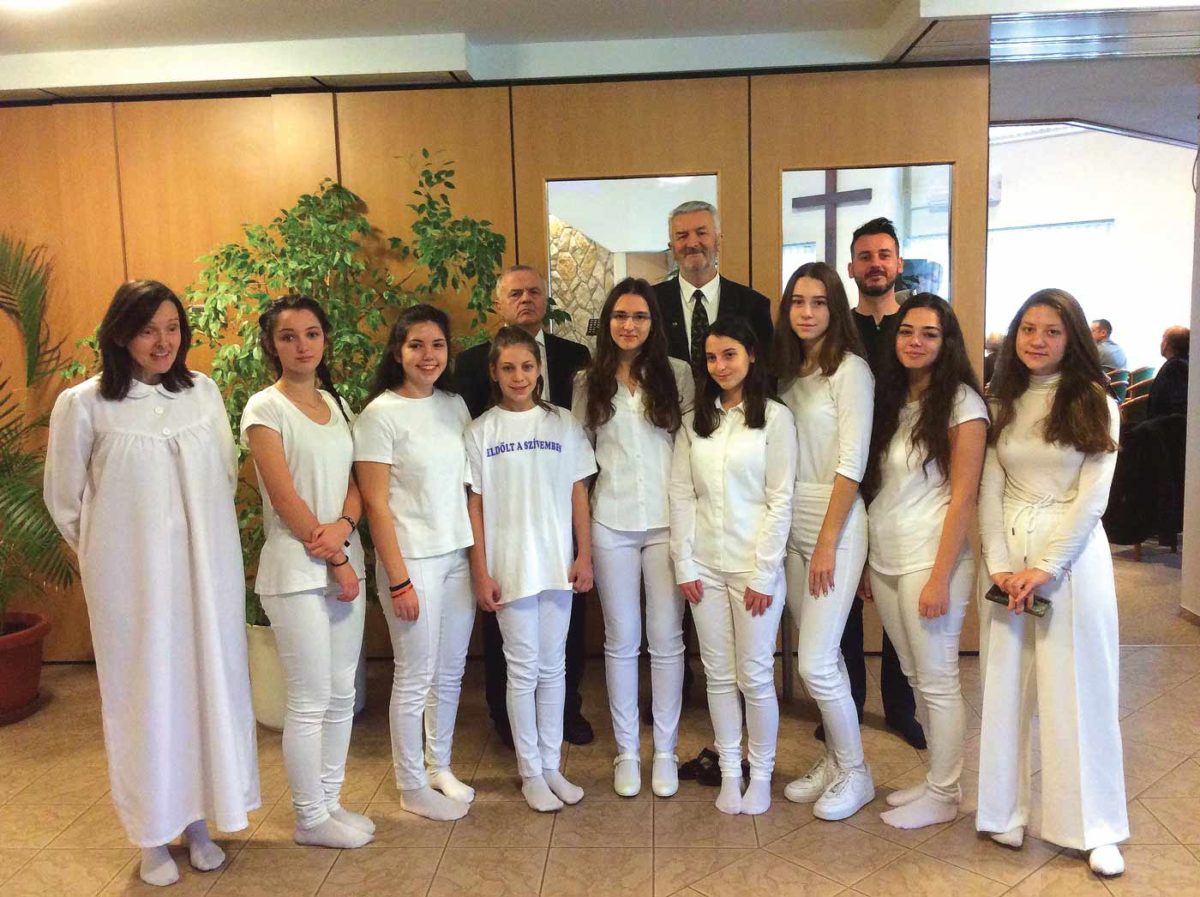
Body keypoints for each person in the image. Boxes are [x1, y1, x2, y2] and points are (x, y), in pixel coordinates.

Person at [44, 280, 260, 887]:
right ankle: (149, 835)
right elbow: (65, 503)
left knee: (204, 688)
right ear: (120, 334)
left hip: (204, 578)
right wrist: (115, 561)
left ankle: (197, 821)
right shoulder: (85, 404)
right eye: (147, 330)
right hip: (133, 585)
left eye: (171, 328)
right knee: (145, 699)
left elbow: (223, 474)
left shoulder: (203, 392)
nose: (162, 342)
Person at [976, 288, 1128, 878]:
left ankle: (1095, 827)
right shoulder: (1001, 399)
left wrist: (1047, 567)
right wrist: (999, 564)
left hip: (1071, 560)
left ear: (1073, 339)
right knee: (1003, 686)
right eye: (1028, 329)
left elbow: (1093, 497)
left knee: (1080, 689)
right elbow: (989, 488)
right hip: (1009, 555)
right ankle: (1002, 812)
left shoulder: (1094, 401)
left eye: (1052, 331)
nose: (1037, 341)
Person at [240, 294, 372, 849]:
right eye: (289, 336)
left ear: (325, 340)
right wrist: (335, 554)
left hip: (342, 556)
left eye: (312, 334)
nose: (302, 345)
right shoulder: (263, 409)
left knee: (341, 692)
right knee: (310, 696)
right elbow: (283, 495)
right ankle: (308, 817)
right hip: (296, 569)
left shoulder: (337, 403)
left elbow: (355, 483)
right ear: (272, 345)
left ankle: (330, 801)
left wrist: (344, 527)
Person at [862, 293, 987, 830]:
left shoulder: (962, 404)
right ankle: (938, 780)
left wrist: (940, 577)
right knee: (915, 676)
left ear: (946, 342)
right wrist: (869, 562)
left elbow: (963, 497)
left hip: (932, 560)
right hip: (888, 555)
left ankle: (945, 792)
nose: (915, 341)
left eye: (929, 333)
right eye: (907, 331)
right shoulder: (892, 398)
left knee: (937, 680)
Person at [454, 265, 594, 747]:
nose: (526, 299)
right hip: (506, 553)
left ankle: (554, 745)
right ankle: (518, 741)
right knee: (517, 661)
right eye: (515, 292)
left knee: (554, 661)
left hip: (556, 550)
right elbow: (475, 499)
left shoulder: (567, 399)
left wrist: (584, 552)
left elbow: (578, 487)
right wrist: (480, 568)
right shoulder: (477, 414)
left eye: (535, 291)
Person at [670, 317, 797, 817]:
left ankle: (760, 775)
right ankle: (728, 770)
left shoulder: (775, 419)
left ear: (751, 356)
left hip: (752, 569)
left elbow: (780, 499)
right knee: (718, 675)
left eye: (730, 355)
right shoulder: (693, 421)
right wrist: (684, 563)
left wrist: (765, 572)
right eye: (711, 357)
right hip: (704, 566)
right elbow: (681, 494)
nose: (720, 366)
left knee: (756, 676)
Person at [354, 304, 476, 822]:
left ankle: (438, 766)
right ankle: (410, 785)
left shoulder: (454, 405)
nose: (428, 355)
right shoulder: (379, 415)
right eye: (416, 345)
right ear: (397, 351)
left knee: (449, 672)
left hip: (456, 554)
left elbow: (468, 486)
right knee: (414, 675)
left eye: (437, 345)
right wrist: (399, 579)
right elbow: (375, 503)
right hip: (411, 561)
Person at [572, 278, 693, 798]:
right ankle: (627, 751)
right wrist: (581, 544)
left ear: (653, 324)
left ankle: (664, 750)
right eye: (620, 316)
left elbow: (691, 452)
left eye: (640, 316)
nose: (629, 325)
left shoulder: (678, 375)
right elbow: (579, 467)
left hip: (667, 525)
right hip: (611, 523)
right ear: (608, 322)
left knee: (666, 639)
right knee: (621, 641)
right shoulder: (587, 381)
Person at [771, 262, 876, 821]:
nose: (807, 312)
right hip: (792, 521)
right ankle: (836, 759)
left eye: (818, 302)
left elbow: (851, 462)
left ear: (835, 309)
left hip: (834, 521)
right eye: (798, 301)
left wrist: (829, 542)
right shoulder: (788, 372)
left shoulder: (850, 370)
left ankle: (857, 772)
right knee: (824, 655)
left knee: (813, 661)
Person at [842, 216, 924, 749]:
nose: (875, 264)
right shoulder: (837, 329)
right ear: (851, 268)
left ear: (898, 263)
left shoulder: (916, 328)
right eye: (865, 256)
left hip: (903, 479)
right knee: (843, 600)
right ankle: (847, 702)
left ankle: (901, 706)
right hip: (846, 476)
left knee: (898, 593)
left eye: (884, 255)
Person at [653, 200, 774, 368]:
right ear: (671, 248)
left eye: (701, 233)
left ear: (718, 241)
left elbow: (765, 370)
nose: (692, 243)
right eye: (682, 236)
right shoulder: (650, 303)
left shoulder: (753, 305)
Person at [1148, 325, 1189, 418]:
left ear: (1166, 344)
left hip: (1164, 424)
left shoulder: (1175, 367)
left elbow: (1177, 410)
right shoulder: (1183, 363)